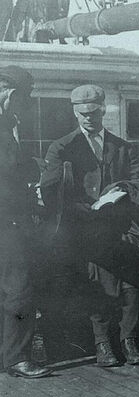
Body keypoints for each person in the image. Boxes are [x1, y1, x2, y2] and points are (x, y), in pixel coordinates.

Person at [41, 84, 139, 367]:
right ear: (75, 113)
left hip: (121, 227)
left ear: (104, 110)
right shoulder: (62, 147)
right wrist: (84, 209)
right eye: (83, 113)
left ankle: (129, 340)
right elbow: (51, 193)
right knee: (96, 284)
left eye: (95, 112)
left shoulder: (124, 148)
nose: (89, 118)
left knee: (131, 283)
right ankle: (103, 345)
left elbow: (138, 186)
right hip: (83, 231)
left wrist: (120, 198)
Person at [0, 65, 52, 378]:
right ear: (13, 95)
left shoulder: (8, 123)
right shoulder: (5, 124)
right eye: (23, 100)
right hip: (8, 221)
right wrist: (32, 166)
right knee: (19, 286)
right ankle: (17, 358)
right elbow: (8, 168)